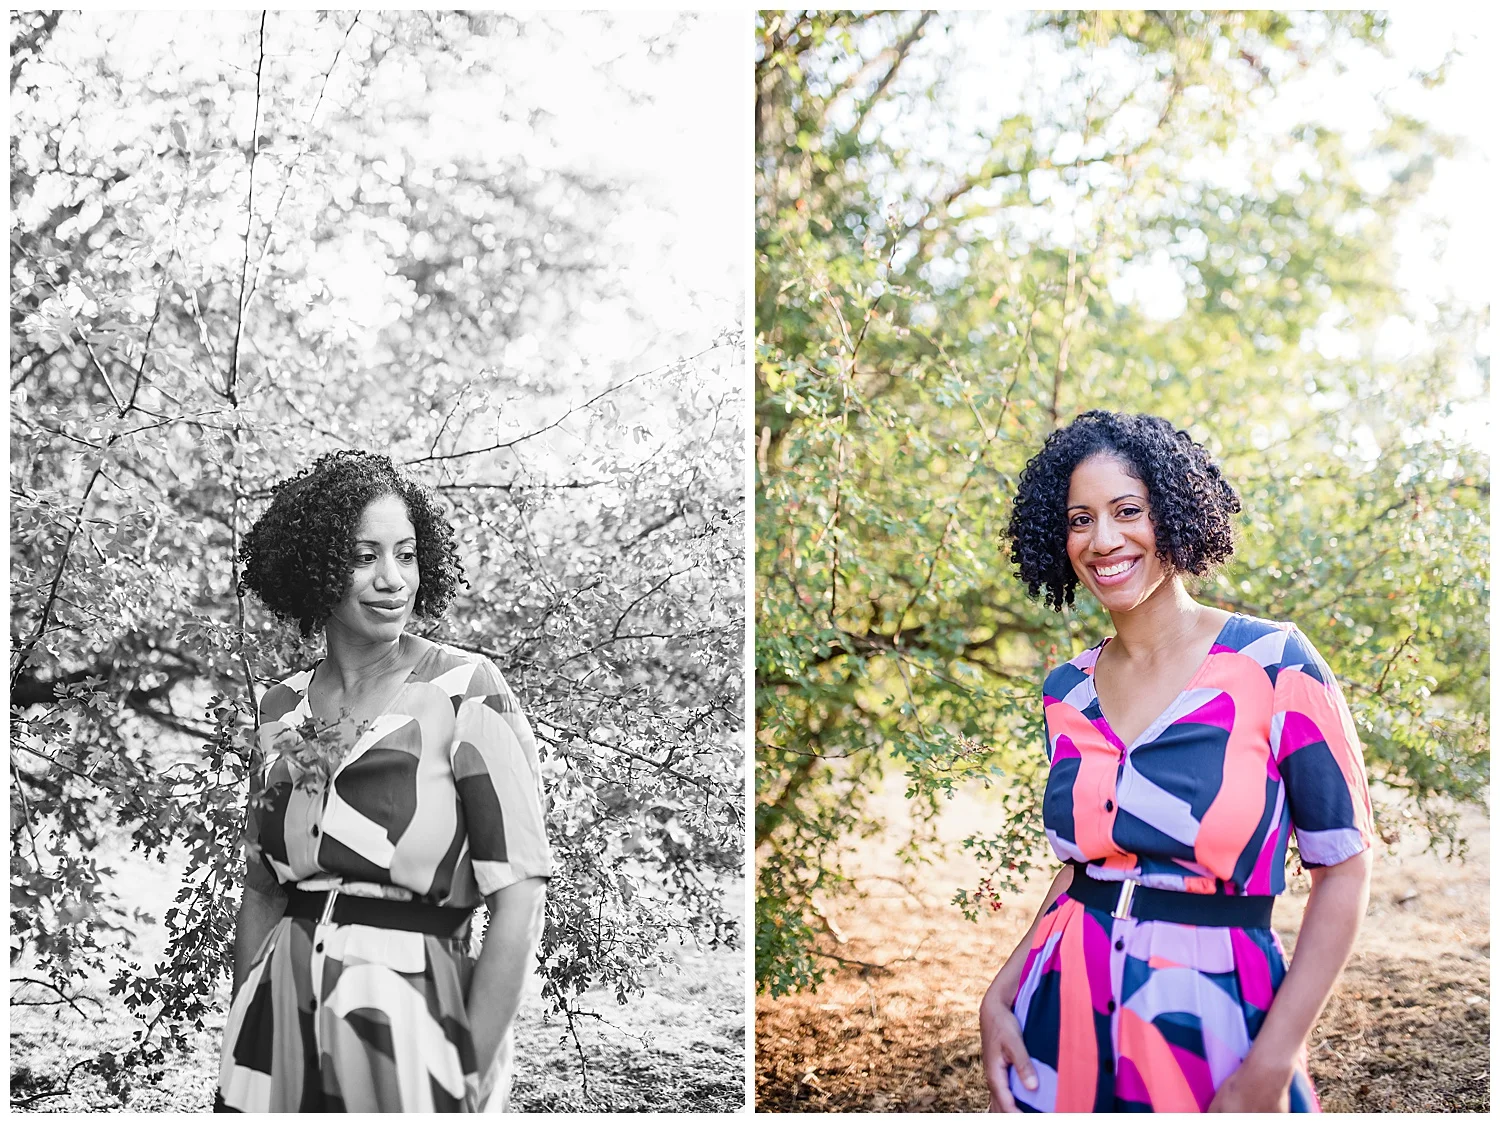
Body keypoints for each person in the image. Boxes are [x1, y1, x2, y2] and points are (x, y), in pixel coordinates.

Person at [979, 411, 1373, 1113]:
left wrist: (1270, 1064)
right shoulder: (1065, 689)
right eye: (1079, 519)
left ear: (1174, 512)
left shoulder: (1275, 662)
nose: (1103, 540)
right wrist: (999, 992)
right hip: (1061, 1010)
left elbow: (1343, 866)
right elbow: (1086, 868)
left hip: (1215, 1013)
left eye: (1128, 511)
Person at [216, 450, 553, 1113]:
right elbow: (262, 890)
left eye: (405, 554)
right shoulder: (283, 707)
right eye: (365, 556)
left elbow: (520, 895)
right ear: (314, 568)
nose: (391, 578)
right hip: (278, 1020)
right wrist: (242, 1034)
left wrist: (469, 1062)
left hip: (412, 1017)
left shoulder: (465, 689)